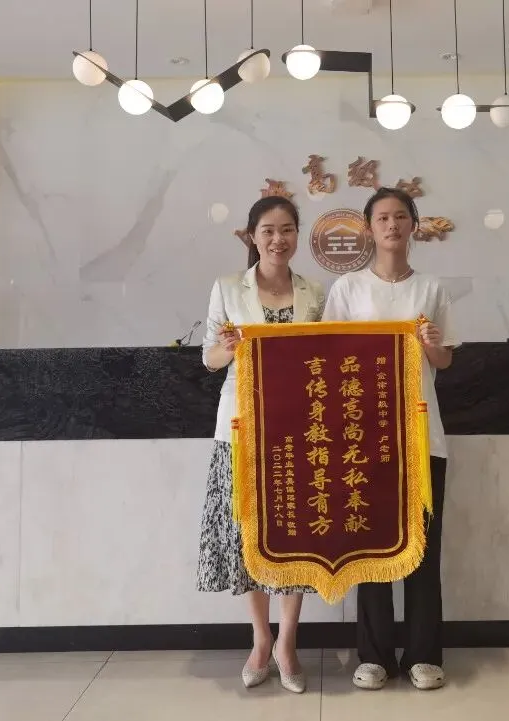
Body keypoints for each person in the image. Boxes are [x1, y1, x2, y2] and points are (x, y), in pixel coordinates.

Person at [321, 187, 457, 692]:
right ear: (368, 227)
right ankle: (375, 656)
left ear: (413, 225)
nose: (392, 225)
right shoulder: (347, 288)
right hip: (364, 437)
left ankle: (423, 655)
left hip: (422, 435)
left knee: (423, 547)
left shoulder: (432, 288)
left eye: (401, 216)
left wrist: (433, 345)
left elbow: (444, 360)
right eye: (382, 217)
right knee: (370, 545)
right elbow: (329, 358)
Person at [197, 196, 326, 694]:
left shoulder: (314, 292)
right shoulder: (228, 287)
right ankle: (260, 639)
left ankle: (288, 643)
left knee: (297, 535)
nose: (278, 239)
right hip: (242, 427)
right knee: (246, 533)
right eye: (268, 230)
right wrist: (225, 349)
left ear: (297, 236)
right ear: (252, 236)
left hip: (298, 428)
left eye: (287, 229)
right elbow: (209, 358)